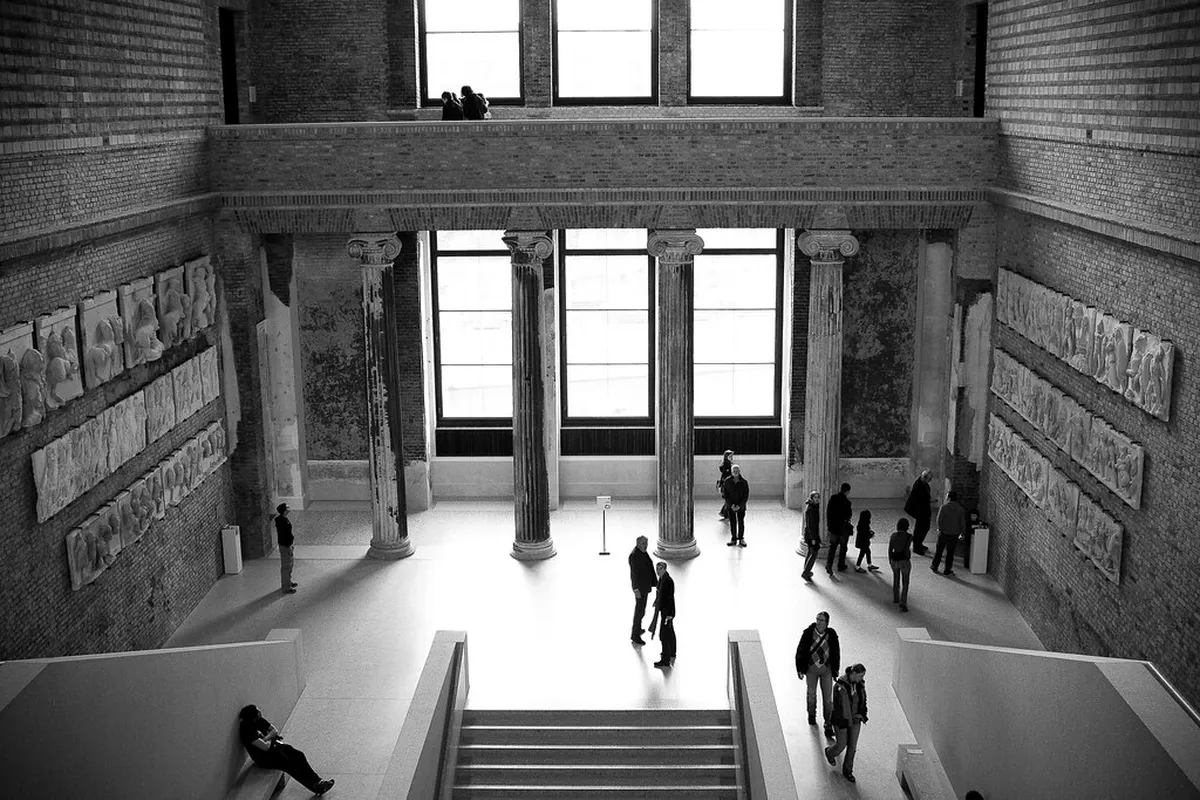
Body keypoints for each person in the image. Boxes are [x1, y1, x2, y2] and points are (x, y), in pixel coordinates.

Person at [238, 705, 334, 795]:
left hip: (274, 747)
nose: (260, 711)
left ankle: (319, 781)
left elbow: (274, 731)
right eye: (257, 710)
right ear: (253, 716)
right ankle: (316, 787)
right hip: (264, 758)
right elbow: (265, 747)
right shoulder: (247, 730)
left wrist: (266, 739)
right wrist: (270, 737)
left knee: (299, 755)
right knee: (291, 765)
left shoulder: (258, 720)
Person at [795, 611, 840, 738]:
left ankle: (828, 723)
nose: (818, 622)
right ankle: (811, 714)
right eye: (817, 619)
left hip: (826, 669)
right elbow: (801, 650)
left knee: (828, 698)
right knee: (811, 694)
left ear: (827, 623)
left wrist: (835, 669)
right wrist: (800, 668)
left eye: (821, 620)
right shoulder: (808, 633)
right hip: (811, 669)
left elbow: (836, 652)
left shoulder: (831, 634)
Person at [824, 664, 868, 783]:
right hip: (842, 720)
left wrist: (863, 713)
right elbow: (838, 708)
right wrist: (844, 722)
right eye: (860, 676)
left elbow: (863, 699)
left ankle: (848, 771)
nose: (862, 678)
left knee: (852, 747)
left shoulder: (860, 684)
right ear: (852, 674)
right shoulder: (839, 686)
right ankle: (830, 752)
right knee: (841, 745)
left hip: (856, 719)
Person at [628, 535, 657, 645]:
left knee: (642, 610)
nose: (646, 546)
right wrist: (636, 590)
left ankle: (638, 629)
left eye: (646, 543)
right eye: (643, 543)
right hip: (640, 589)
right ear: (638, 544)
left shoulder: (642, 552)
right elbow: (634, 575)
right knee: (639, 612)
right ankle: (635, 635)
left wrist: (654, 583)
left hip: (645, 587)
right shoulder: (634, 556)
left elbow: (649, 567)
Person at [932, 490, 967, 576]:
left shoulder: (943, 507)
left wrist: (939, 528)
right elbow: (962, 522)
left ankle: (934, 566)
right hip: (954, 534)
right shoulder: (960, 509)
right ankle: (947, 570)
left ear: (949, 498)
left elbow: (939, 520)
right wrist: (962, 533)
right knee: (950, 553)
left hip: (943, 533)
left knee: (939, 550)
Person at [905, 468, 933, 555]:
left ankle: (919, 543)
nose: (931, 480)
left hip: (924, 511)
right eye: (930, 479)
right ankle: (916, 547)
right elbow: (917, 501)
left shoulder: (924, 483)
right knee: (920, 529)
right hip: (920, 512)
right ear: (925, 478)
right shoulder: (918, 486)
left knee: (924, 528)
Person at [652, 561, 675, 668]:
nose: (658, 571)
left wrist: (669, 614)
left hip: (667, 612)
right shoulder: (662, 579)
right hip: (665, 611)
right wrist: (657, 601)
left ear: (665, 569)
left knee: (664, 635)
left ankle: (665, 659)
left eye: (660, 569)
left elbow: (669, 599)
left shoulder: (668, 581)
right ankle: (671, 652)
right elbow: (660, 594)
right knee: (669, 632)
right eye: (657, 569)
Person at [825, 483, 852, 573]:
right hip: (843, 530)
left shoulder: (833, 498)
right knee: (843, 547)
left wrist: (829, 525)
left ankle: (829, 565)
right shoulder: (847, 502)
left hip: (833, 529)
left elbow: (828, 512)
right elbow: (849, 516)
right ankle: (841, 565)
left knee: (832, 547)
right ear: (847, 491)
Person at [889, 518, 913, 611]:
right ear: (907, 527)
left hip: (895, 560)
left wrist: (890, 560)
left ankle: (896, 598)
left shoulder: (893, 536)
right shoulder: (909, 536)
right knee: (905, 582)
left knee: (896, 579)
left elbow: (890, 549)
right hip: (904, 561)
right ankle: (903, 602)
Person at [723, 464, 749, 547]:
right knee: (733, 523)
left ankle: (741, 539)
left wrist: (740, 505)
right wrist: (731, 505)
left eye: (737, 471)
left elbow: (746, 496)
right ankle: (733, 539)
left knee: (741, 522)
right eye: (734, 471)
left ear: (740, 471)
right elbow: (725, 494)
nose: (736, 472)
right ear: (731, 472)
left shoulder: (744, 482)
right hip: (731, 507)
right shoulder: (727, 481)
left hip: (741, 507)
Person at [275, 503, 297, 593]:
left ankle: (288, 582)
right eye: (287, 507)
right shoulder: (282, 521)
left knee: (290, 565)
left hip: (288, 545)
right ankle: (286, 587)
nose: (289, 508)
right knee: (286, 566)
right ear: (284, 510)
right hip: (285, 546)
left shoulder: (283, 519)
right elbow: (285, 534)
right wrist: (289, 544)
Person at [801, 490, 822, 580]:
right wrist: (813, 538)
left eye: (818, 497)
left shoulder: (814, 507)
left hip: (812, 534)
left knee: (810, 552)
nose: (817, 499)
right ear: (811, 498)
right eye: (815, 497)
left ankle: (806, 570)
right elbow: (810, 525)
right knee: (814, 553)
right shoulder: (810, 509)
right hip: (811, 535)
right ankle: (806, 572)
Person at [716, 449, 734, 521]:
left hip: (728, 484)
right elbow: (724, 476)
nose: (732, 457)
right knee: (728, 499)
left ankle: (725, 513)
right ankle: (724, 513)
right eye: (730, 455)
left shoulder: (728, 464)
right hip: (727, 485)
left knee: (728, 499)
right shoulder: (727, 465)